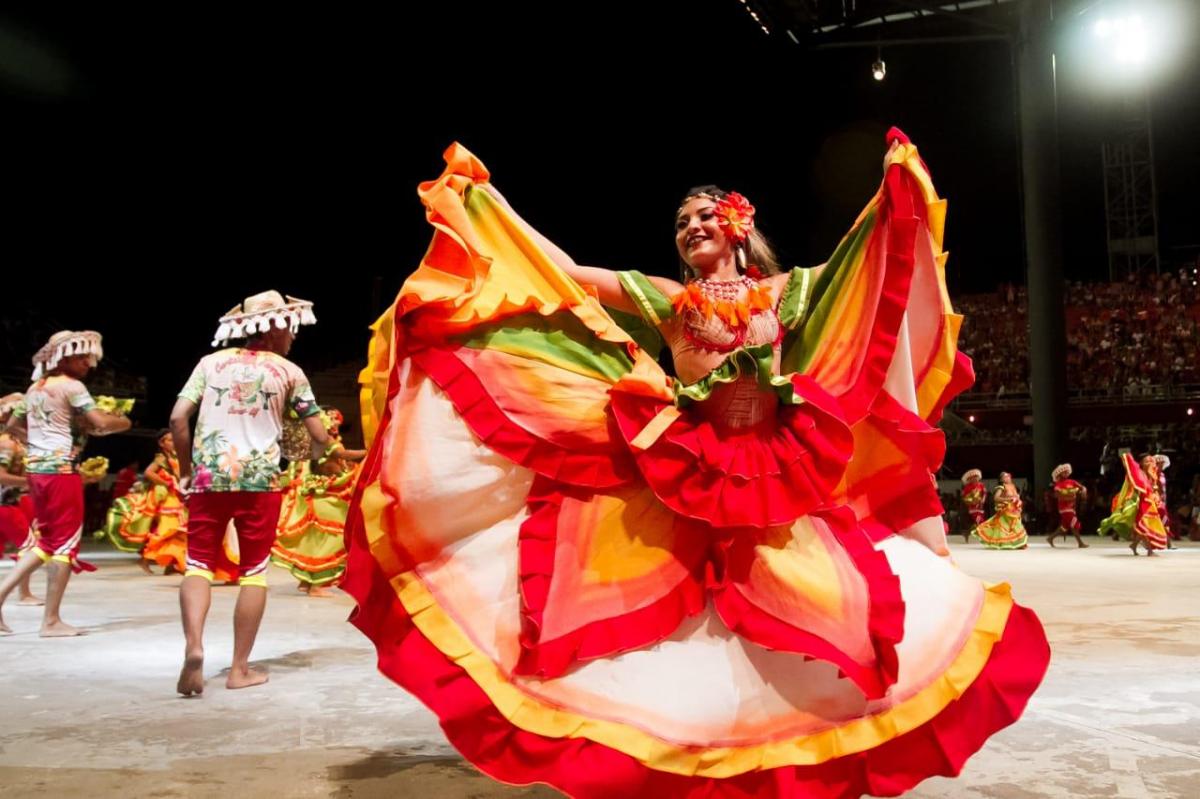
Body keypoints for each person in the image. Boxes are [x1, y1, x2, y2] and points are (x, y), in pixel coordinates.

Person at [341, 131, 1049, 797]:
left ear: (738, 226)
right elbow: (563, 274)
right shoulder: (670, 297)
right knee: (659, 606)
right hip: (682, 462)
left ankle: (784, 735)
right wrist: (488, 209)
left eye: (703, 215)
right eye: (681, 221)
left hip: (774, 466)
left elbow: (864, 269)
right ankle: (675, 741)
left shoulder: (785, 294)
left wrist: (895, 195)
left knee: (807, 593)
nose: (690, 227)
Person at [170, 291, 339, 695]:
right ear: (275, 327)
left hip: (211, 479)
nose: (293, 337)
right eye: (290, 328)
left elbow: (178, 417)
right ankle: (239, 669)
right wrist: (312, 453)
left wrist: (188, 470)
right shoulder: (290, 372)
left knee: (197, 566)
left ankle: (194, 647)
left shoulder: (209, 363)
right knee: (253, 573)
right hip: (261, 483)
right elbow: (319, 436)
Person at [0, 332, 132, 636]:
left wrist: (37, 446)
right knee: (65, 544)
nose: (89, 363)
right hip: (60, 473)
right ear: (64, 356)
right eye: (82, 356)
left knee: (46, 542)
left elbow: (12, 426)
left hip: (36, 471)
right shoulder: (72, 387)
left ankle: (3, 596)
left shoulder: (35, 388)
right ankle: (51, 621)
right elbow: (99, 423)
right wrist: (123, 422)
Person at [975, 471, 1029, 550]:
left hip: (1014, 510)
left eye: (1008, 476)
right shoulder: (1001, 487)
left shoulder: (1012, 486)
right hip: (1005, 510)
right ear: (1001, 480)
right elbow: (996, 498)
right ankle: (1004, 543)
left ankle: (1019, 543)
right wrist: (1010, 499)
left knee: (1017, 526)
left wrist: (1017, 498)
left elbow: (1016, 496)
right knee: (1004, 528)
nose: (1007, 478)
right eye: (1005, 477)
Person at [1047, 463, 1088, 548]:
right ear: (1059, 474)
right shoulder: (1058, 485)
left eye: (1066, 472)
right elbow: (1058, 497)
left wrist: (1083, 491)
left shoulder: (1072, 482)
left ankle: (1050, 538)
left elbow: (1082, 488)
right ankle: (1080, 543)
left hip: (1072, 508)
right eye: (1063, 472)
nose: (1065, 474)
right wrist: (1070, 497)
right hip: (1064, 509)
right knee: (1074, 523)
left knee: (1064, 527)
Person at [960, 468, 987, 543]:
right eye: (973, 477)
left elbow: (984, 493)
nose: (975, 478)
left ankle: (969, 532)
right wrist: (972, 501)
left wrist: (983, 500)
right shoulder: (967, 487)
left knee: (979, 519)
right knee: (979, 520)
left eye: (976, 477)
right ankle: (982, 535)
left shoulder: (981, 485)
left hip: (980, 506)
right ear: (970, 479)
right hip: (972, 507)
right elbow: (964, 498)